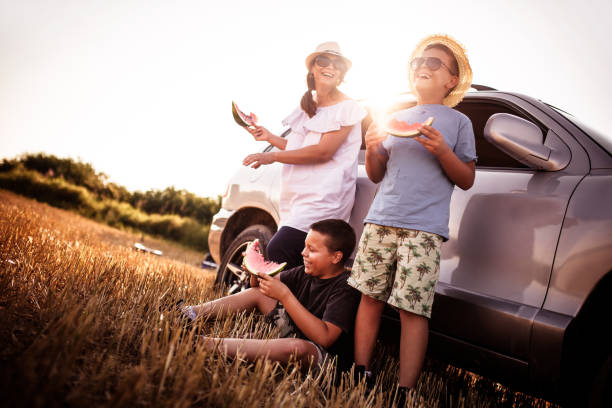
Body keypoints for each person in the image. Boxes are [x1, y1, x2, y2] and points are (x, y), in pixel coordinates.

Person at [347, 34, 477, 398]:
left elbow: (466, 178)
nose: (422, 66)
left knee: (412, 310)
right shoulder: (396, 117)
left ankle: (405, 390)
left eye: (433, 63)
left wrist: (441, 150)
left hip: (424, 230)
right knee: (369, 298)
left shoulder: (458, 123)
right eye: (418, 62)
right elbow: (376, 173)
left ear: (451, 80)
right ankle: (361, 371)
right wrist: (372, 149)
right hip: (381, 220)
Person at [241, 41, 367, 269]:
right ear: (312, 68)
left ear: (341, 74)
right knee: (296, 264)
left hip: (325, 198)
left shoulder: (347, 107)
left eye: (337, 64)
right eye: (323, 61)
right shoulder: (308, 106)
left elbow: (323, 152)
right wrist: (270, 137)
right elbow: (301, 146)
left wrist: (272, 157)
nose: (330, 66)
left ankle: (272, 303)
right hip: (298, 196)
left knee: (280, 249)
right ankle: (277, 304)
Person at [181, 219, 361, 370]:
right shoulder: (304, 272)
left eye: (311, 250)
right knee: (259, 293)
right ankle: (188, 314)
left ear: (336, 257)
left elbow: (325, 338)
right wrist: (254, 271)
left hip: (323, 356)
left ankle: (203, 344)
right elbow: (260, 286)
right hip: (296, 332)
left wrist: (285, 296)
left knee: (296, 347)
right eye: (305, 247)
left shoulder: (345, 287)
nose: (303, 253)